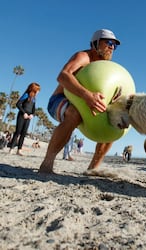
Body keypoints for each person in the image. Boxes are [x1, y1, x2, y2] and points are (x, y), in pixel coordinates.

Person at [39, 29, 121, 173]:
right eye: (108, 42)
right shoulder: (84, 57)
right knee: (74, 114)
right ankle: (47, 162)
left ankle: (92, 169)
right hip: (59, 100)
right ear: (95, 43)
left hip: (87, 103)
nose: (112, 47)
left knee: (114, 123)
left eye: (115, 45)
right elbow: (63, 76)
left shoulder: (107, 69)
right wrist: (87, 95)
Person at [9, 82, 40, 156]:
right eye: (38, 90)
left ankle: (19, 150)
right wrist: (24, 113)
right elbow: (18, 104)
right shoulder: (26, 95)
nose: (38, 92)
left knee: (23, 133)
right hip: (22, 115)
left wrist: (32, 114)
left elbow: (33, 108)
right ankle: (11, 149)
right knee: (18, 132)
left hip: (28, 117)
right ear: (34, 89)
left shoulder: (34, 99)